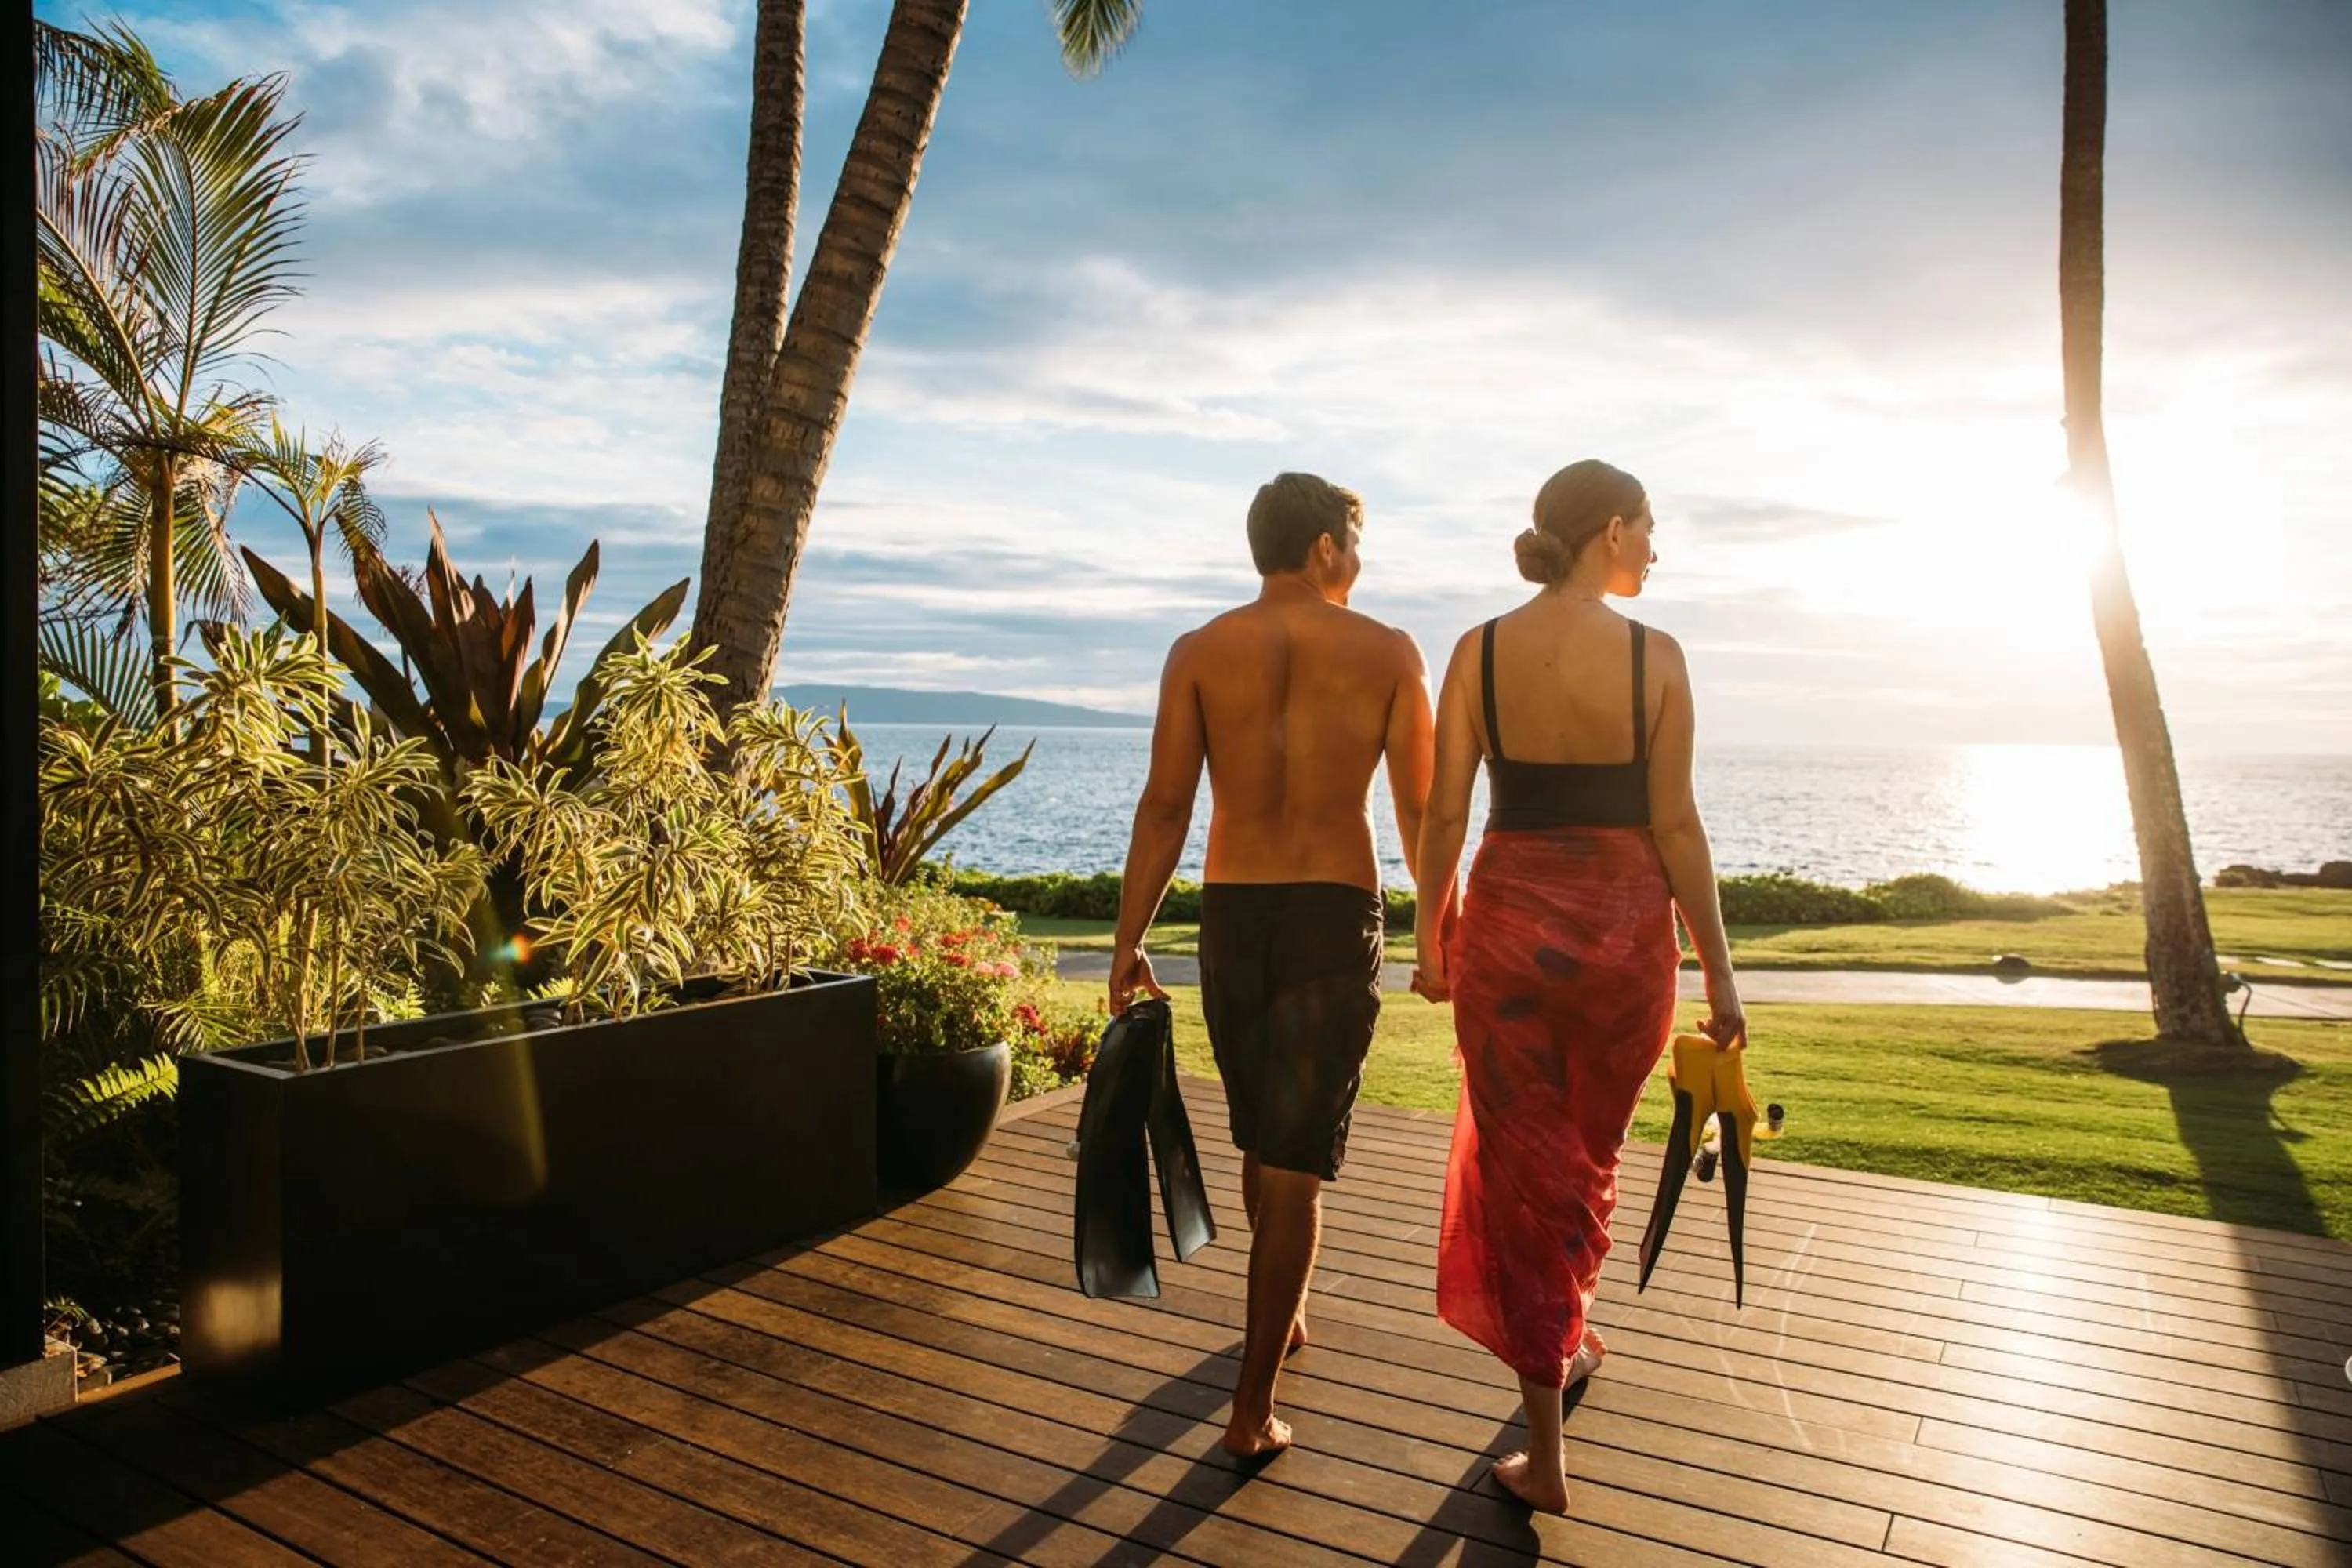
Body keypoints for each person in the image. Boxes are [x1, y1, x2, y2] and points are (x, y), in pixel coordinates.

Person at [1411, 459, 1744, 1515]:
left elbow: (1443, 819)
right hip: (1624, 943)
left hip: (1507, 935)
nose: (1655, 547)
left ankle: (1556, 1381)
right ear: (1610, 529)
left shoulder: (1480, 650)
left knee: (1531, 1174)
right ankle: (1550, 1438)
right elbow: (1676, 825)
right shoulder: (1657, 657)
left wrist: (1429, 936)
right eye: (1649, 528)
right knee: (1583, 1164)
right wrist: (1723, 973)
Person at [1109, 471, 1436, 1461]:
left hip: (1235, 915)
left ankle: (1277, 1311)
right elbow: (1420, 812)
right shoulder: (1387, 650)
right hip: (1333, 913)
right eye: (1356, 541)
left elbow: (1165, 806)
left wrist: (1129, 939)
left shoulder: (1201, 651)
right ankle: (1251, 1410)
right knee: (1291, 1162)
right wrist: (1444, 927)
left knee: (1268, 1141)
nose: (1361, 559)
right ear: (1328, 548)